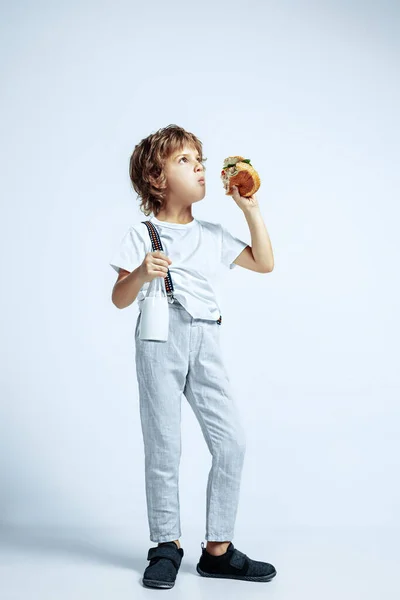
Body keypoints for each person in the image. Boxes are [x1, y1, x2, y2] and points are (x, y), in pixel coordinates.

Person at [109, 124, 276, 588]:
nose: (199, 166)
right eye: (185, 160)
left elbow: (264, 263)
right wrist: (142, 273)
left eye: (200, 159)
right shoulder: (143, 233)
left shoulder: (212, 233)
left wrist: (251, 209)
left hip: (206, 339)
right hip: (158, 338)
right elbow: (119, 298)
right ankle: (165, 544)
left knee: (231, 441)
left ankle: (217, 549)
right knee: (164, 445)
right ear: (156, 178)